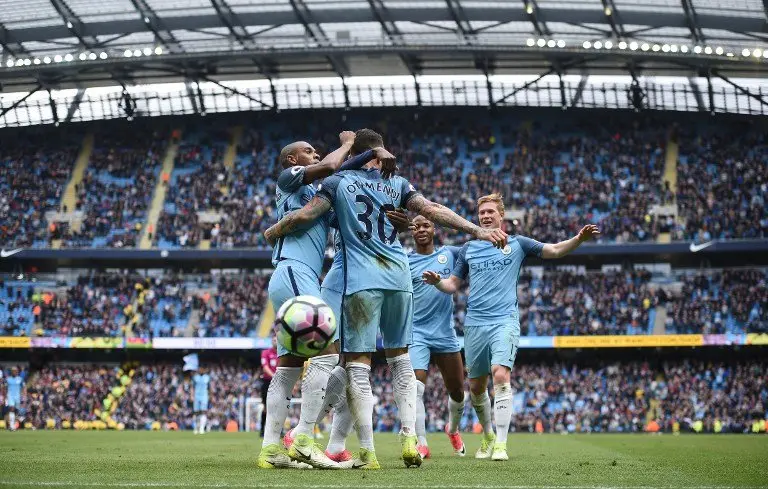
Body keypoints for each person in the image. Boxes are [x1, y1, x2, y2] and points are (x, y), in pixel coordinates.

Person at [264, 128, 506, 469]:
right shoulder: (399, 184)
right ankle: (408, 438)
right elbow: (433, 209)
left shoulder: (336, 183)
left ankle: (352, 447)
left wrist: (276, 230)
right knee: (400, 362)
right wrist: (478, 231)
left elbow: (308, 215)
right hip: (398, 275)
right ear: (378, 156)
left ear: (355, 155)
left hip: (359, 280)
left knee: (353, 365)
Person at [423, 193, 600, 461]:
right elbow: (452, 286)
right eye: (481, 212)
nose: (485, 216)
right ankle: (487, 437)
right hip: (474, 324)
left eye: (490, 212)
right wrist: (438, 280)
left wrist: (578, 240)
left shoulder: (518, 244)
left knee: (501, 375)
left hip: (504, 320)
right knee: (476, 387)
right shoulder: (470, 248)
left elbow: (552, 250)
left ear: (501, 216)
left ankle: (501, 445)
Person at [259, 131, 397, 470]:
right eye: (308, 151)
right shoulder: (287, 179)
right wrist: (350, 142)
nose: (314, 153)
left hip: (302, 275)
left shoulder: (315, 193)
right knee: (330, 352)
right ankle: (304, 441)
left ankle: (270, 450)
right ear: (292, 159)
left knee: (289, 367)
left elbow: (339, 175)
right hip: (293, 270)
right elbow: (334, 164)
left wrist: (370, 159)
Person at [407, 215, 466, 459]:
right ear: (411, 231)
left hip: (445, 333)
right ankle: (421, 442)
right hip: (416, 332)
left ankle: (452, 429)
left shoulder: (450, 254)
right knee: (416, 387)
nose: (421, 229)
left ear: (434, 229)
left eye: (426, 225)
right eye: (416, 226)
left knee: (458, 393)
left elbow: (477, 249)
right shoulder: (405, 260)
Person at [260, 336, 278, 438]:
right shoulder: (266, 353)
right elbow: (265, 367)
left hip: (279, 383)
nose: (275, 341)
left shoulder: (281, 354)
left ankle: (278, 430)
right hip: (267, 382)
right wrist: (274, 376)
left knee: (279, 407)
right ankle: (262, 430)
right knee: (266, 408)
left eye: (277, 340)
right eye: (274, 340)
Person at [4, 367, 24, 432]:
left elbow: (23, 387)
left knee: (17, 411)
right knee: (11, 409)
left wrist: (23, 395)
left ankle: (16, 424)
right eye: (13, 371)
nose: (14, 372)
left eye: (16, 371)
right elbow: (5, 388)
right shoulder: (8, 379)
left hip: (18, 397)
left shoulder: (20, 379)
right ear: (11, 372)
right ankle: (12, 426)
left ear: (17, 372)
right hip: (10, 396)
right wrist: (5, 397)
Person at [192, 367, 211, 434]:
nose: (201, 370)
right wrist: (191, 395)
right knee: (196, 413)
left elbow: (209, 388)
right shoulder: (195, 377)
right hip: (196, 396)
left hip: (204, 396)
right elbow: (192, 387)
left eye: (202, 369)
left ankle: (202, 428)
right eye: (200, 369)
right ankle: (196, 427)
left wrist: (210, 396)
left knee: (203, 412)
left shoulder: (207, 377)